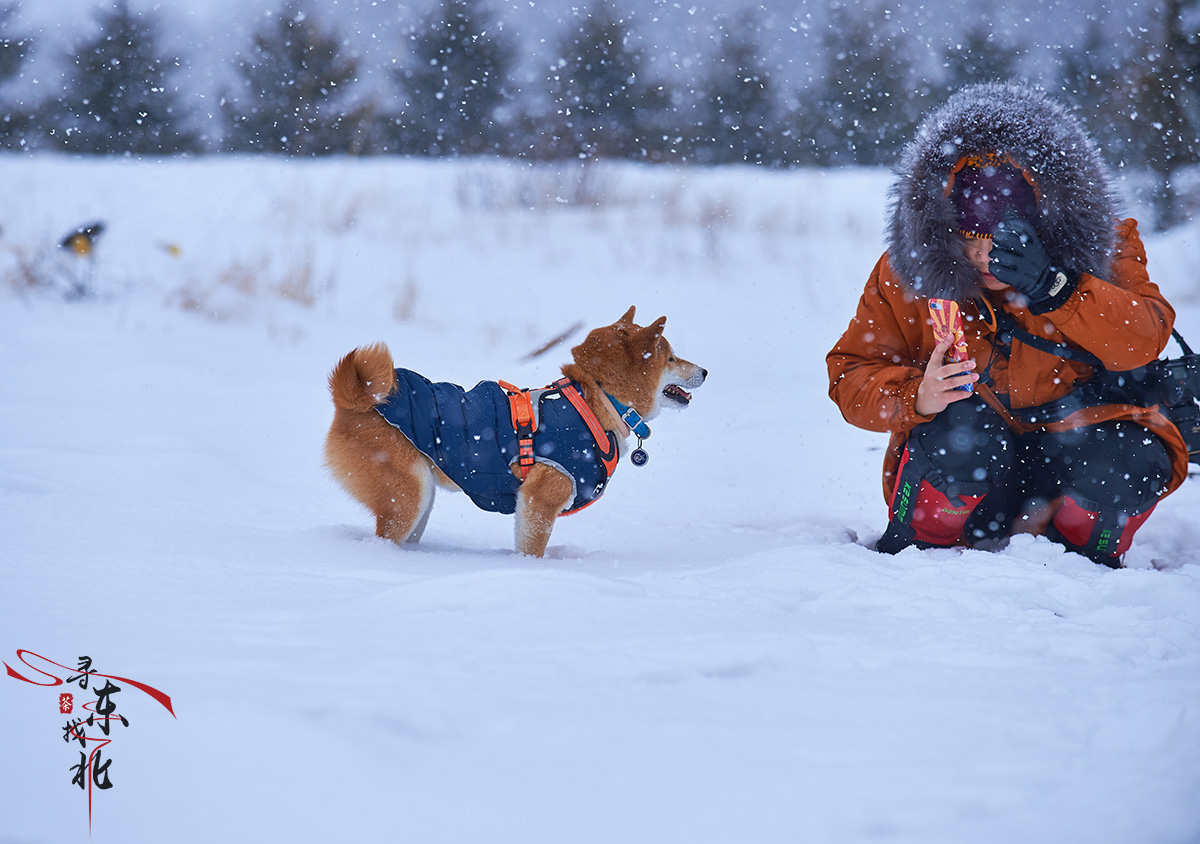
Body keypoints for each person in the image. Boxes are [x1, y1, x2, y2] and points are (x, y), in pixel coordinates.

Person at [826, 82, 1190, 567]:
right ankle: (922, 554)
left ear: (1048, 226)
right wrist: (915, 396)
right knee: (959, 430)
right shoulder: (907, 271)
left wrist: (1058, 288)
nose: (980, 259)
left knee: (1131, 455)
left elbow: (1142, 339)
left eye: (998, 244)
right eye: (965, 241)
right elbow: (851, 371)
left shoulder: (1103, 248)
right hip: (966, 472)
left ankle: (1084, 561)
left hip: (1072, 460)